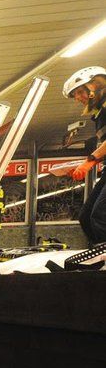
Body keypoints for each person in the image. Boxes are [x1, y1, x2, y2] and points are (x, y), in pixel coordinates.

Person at [63, 66, 106, 244]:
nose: (78, 98)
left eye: (80, 92)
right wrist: (82, 165)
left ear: (95, 84)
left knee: (99, 215)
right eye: (75, 96)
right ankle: (97, 259)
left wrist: (89, 162)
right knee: (86, 217)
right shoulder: (100, 113)